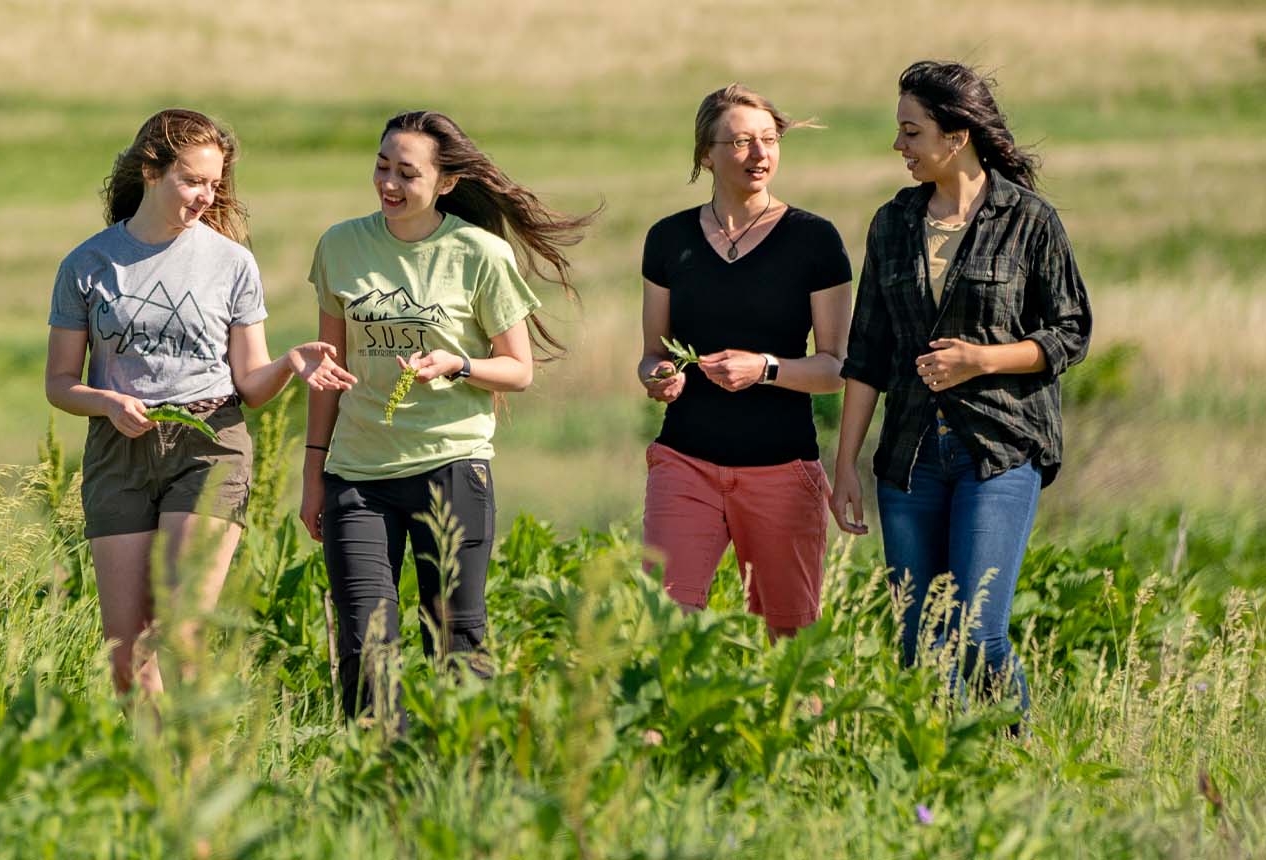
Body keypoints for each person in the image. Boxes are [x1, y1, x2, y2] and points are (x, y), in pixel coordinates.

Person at [46, 109, 355, 699]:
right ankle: (153, 780)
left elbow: (250, 384)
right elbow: (59, 384)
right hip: (119, 449)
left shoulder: (232, 262)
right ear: (151, 171)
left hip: (208, 445)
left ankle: (194, 777)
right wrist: (108, 403)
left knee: (180, 635)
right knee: (127, 657)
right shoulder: (87, 265)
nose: (205, 197)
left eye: (214, 185)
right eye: (193, 182)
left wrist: (290, 364)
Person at [299, 110, 593, 721]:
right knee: (364, 643)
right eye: (382, 166)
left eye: (407, 172)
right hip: (357, 473)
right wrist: (313, 475)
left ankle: (463, 775)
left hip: (452, 468)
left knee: (456, 640)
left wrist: (458, 365)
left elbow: (518, 369)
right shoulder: (339, 245)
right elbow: (330, 370)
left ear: (446, 183)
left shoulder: (478, 253)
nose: (389, 183)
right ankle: (380, 775)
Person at [831, 62, 1092, 718]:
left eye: (911, 132)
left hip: (1000, 449)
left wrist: (981, 360)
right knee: (920, 645)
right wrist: (844, 468)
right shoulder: (891, 223)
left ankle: (1015, 753)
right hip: (910, 457)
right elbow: (867, 354)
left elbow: (1070, 333)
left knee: (977, 634)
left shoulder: (1029, 220)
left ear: (957, 136)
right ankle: (939, 778)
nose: (900, 147)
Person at [638, 84, 853, 639]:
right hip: (684, 462)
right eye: (740, 142)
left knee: (793, 642)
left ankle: (805, 730)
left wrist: (766, 368)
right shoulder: (669, 240)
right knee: (664, 628)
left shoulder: (814, 240)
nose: (760, 155)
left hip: (782, 469)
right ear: (706, 154)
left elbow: (836, 369)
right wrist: (658, 379)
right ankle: (662, 729)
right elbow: (652, 356)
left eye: (769, 140)